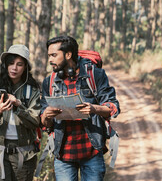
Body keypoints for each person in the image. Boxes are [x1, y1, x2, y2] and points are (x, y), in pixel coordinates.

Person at [40, 36, 120, 181]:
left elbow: (113, 107)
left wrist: (94, 108)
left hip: (92, 153)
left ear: (68, 54)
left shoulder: (94, 75)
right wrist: (46, 115)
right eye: (49, 55)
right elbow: (45, 123)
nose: (50, 60)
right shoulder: (49, 82)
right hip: (63, 156)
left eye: (54, 55)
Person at [0, 44, 41, 181]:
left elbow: (36, 122)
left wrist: (19, 106)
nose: (14, 68)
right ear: (5, 65)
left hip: (24, 154)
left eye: (19, 64)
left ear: (25, 67)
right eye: (11, 63)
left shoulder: (32, 91)